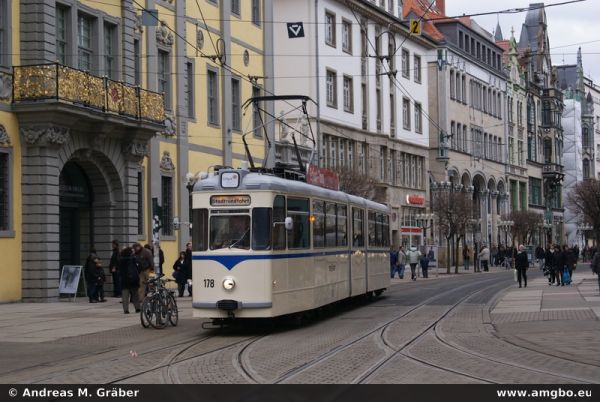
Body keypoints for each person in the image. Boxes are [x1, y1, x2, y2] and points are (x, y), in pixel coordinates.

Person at [119, 247, 141, 314]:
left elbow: (119, 270)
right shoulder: (133, 259)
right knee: (135, 295)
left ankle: (126, 309)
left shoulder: (121, 260)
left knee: (125, 295)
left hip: (124, 280)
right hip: (133, 280)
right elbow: (138, 268)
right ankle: (137, 308)